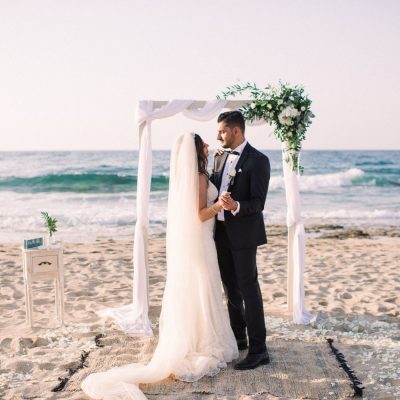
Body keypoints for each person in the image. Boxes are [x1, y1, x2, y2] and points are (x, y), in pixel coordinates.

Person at [81, 132, 238, 400]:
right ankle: (201, 342)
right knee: (204, 289)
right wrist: (219, 204)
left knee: (198, 290)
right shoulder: (199, 178)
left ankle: (195, 337)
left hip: (198, 242)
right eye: (203, 145)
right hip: (201, 242)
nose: (208, 146)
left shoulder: (189, 177)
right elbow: (200, 214)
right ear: (196, 150)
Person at [210, 110, 271, 370]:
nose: (218, 135)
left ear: (236, 130)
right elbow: (211, 188)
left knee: (249, 290)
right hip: (220, 233)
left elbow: (258, 203)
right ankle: (239, 338)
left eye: (222, 131)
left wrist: (235, 205)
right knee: (230, 289)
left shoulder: (259, 160)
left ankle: (260, 350)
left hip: (244, 235)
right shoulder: (219, 157)